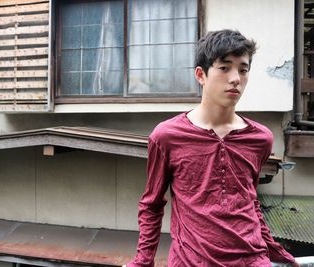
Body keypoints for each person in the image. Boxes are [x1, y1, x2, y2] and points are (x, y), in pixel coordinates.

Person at [125, 30, 299, 267]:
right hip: (190, 261)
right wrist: (143, 261)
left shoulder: (260, 138)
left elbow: (250, 200)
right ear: (201, 74)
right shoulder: (167, 136)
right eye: (224, 68)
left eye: (243, 69)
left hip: (252, 260)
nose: (236, 78)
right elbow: (151, 205)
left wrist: (274, 251)